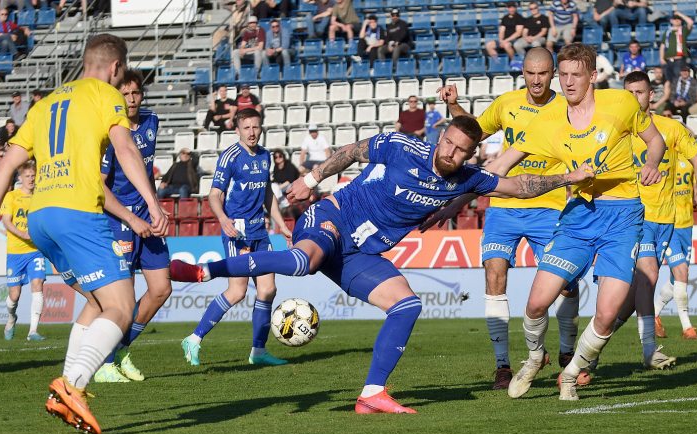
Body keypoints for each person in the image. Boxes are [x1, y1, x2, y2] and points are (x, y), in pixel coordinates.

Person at [169, 116, 594, 412]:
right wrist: (312, 180)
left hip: (362, 254)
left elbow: (518, 185)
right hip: (333, 216)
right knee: (302, 261)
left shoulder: (467, 178)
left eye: (461, 149)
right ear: (440, 136)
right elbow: (354, 150)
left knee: (407, 305)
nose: (450, 152)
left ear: (470, 154)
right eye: (447, 142)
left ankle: (372, 393)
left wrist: (566, 179)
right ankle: (206, 271)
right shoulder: (403, 146)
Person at [0, 34, 169, 434]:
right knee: (121, 309)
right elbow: (126, 150)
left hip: (40, 219)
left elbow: (5, 165)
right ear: (114, 69)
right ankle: (73, 385)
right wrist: (153, 204)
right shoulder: (106, 95)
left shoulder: (44, 104)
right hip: (77, 213)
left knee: (95, 301)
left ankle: (68, 392)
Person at [432, 44, 666, 401]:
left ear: (593, 76)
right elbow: (498, 165)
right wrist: (457, 201)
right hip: (577, 216)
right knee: (536, 303)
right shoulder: (547, 122)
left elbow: (655, 141)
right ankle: (533, 357)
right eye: (564, 74)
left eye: (576, 74)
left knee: (605, 314)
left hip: (621, 217)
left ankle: (571, 372)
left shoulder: (621, 104)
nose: (568, 82)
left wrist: (651, 162)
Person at [436, 48, 587, 390]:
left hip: (549, 205)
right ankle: (503, 365)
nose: (536, 80)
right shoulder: (507, 103)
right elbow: (473, 132)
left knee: (565, 282)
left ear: (553, 74)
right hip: (504, 204)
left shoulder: (568, 106)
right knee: (494, 273)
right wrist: (453, 105)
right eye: (530, 73)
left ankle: (566, 354)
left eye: (543, 73)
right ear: (523, 72)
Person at [180, 108, 292, 368]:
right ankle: (194, 339)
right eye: (247, 127)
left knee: (268, 289)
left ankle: (258, 351)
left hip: (260, 234)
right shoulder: (230, 156)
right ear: (238, 130)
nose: (252, 132)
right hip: (237, 233)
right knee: (237, 291)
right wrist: (222, 219)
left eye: (256, 127)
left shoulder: (265, 156)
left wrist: (282, 225)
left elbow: (267, 194)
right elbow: (214, 194)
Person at [609, 70, 697, 356]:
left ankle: (593, 343)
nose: (633, 98)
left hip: (665, 219)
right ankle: (649, 349)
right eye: (628, 93)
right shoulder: (618, 132)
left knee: (633, 297)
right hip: (633, 216)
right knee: (649, 275)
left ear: (651, 95)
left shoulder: (671, 129)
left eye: (639, 92)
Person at [94, 69, 172, 383]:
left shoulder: (152, 121)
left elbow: (146, 172)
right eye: (124, 94)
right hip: (118, 220)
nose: (131, 99)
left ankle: (122, 349)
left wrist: (153, 204)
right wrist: (131, 218)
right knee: (121, 298)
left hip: (147, 215)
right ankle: (104, 364)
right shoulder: (109, 133)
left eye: (135, 93)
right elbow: (99, 188)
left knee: (161, 288)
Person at [650, 121, 697, 340]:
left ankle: (655, 315)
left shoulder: (692, 161)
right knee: (681, 272)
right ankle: (687, 327)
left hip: (686, 224)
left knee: (678, 279)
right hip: (669, 222)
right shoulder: (665, 158)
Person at [0, 162, 45, 341]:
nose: (31, 179)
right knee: (14, 296)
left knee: (38, 284)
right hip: (15, 252)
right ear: (20, 178)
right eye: (27, 176)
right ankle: (11, 317)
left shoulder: (41, 197)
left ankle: (33, 331)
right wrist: (22, 234)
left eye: (33, 176)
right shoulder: (11, 196)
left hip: (35, 250)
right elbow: (6, 220)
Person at [659, 12, 694, 86]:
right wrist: (661, 58)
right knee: (668, 81)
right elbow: (662, 46)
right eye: (675, 18)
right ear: (671, 20)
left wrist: (680, 14)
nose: (677, 20)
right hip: (667, 61)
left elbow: (690, 22)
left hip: (678, 61)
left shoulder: (683, 30)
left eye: (679, 19)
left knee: (678, 81)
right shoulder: (668, 32)